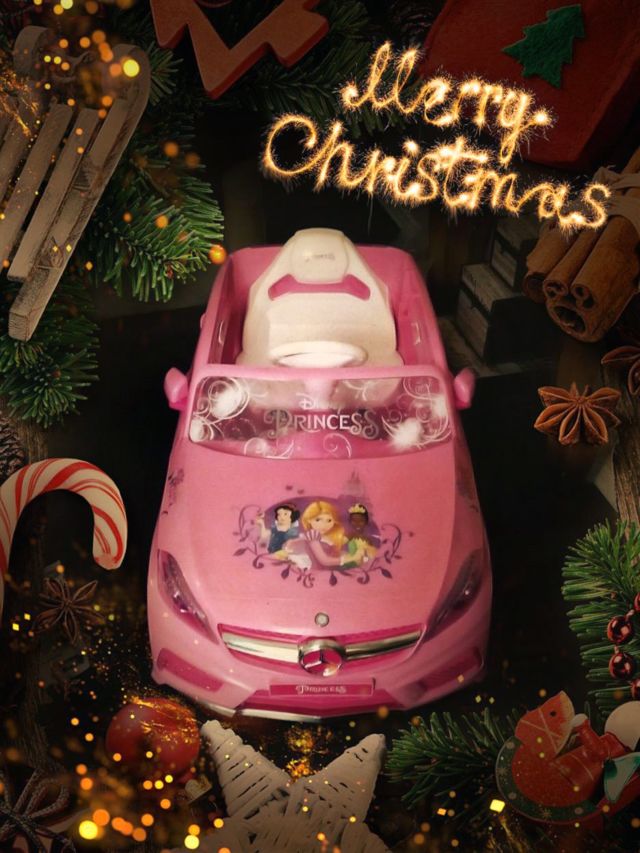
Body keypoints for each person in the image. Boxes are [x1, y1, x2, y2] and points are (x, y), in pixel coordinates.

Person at [299, 500, 366, 568]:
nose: (324, 525)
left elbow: (337, 550)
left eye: (329, 520)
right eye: (318, 520)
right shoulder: (312, 535)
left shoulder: (327, 536)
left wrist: (357, 551)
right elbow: (325, 561)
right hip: (319, 571)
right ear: (309, 520)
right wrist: (352, 558)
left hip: (332, 569)